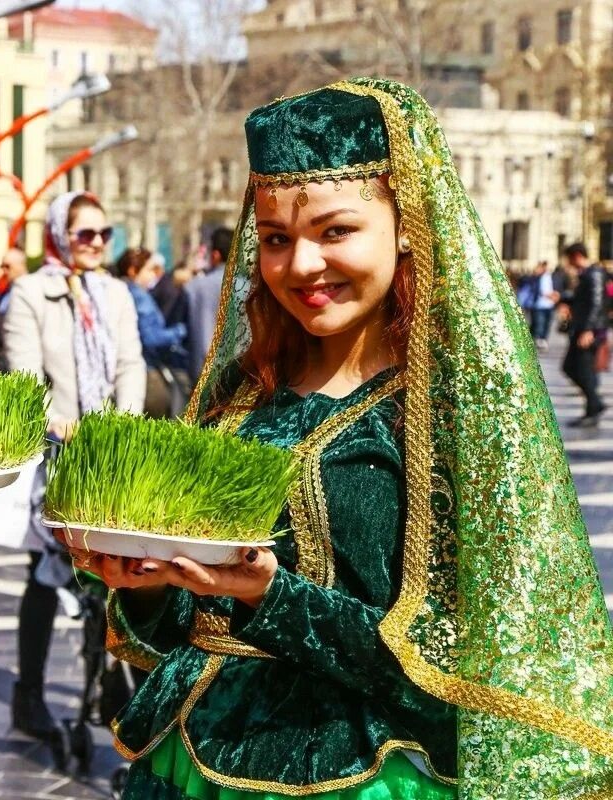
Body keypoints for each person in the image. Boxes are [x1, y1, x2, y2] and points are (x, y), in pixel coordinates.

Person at [72, 79, 613, 799]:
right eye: (275, 239)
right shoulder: (238, 396)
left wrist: (276, 599)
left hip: (367, 772)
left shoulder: (450, 418)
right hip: (190, 763)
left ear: (407, 224)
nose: (300, 266)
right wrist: (139, 583)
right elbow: (182, 630)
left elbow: (474, 668)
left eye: (335, 231)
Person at [3, 191, 145, 745]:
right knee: (46, 574)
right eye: (85, 234)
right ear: (60, 234)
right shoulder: (31, 292)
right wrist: (55, 419)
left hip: (109, 453)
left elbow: (131, 363)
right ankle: (30, 696)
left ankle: (111, 688)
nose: (96, 244)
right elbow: (25, 376)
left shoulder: (116, 293)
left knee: (114, 575)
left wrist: (124, 424)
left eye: (104, 234)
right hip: (56, 453)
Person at [115, 247, 189, 418]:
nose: (153, 275)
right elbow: (151, 338)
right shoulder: (138, 296)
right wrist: (180, 330)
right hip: (147, 371)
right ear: (133, 271)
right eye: (149, 270)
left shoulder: (122, 291)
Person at [561, 242, 608, 426]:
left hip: (590, 331)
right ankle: (594, 406)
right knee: (571, 367)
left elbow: (596, 303)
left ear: (577, 255)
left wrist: (588, 329)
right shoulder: (587, 275)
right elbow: (583, 301)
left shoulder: (594, 274)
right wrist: (563, 298)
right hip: (581, 328)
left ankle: (593, 407)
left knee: (582, 369)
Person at [184, 226, 232, 381]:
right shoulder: (252, 288)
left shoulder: (193, 287)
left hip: (201, 375)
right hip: (243, 376)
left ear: (215, 255)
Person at [0, 246, 29, 315]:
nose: (4, 270)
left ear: (21, 265)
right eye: (2, 266)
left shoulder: (33, 290)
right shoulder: (5, 290)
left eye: (7, 266)